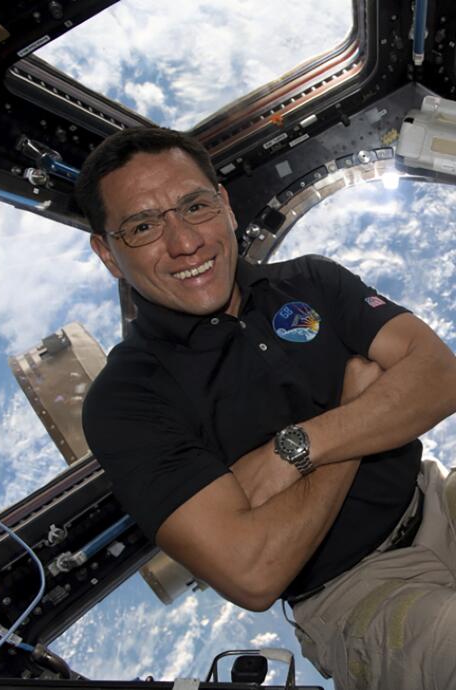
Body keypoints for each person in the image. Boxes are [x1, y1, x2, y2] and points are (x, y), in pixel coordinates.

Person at [74, 126, 456, 690]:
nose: (184, 243)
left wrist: (295, 452)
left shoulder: (311, 280)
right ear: (108, 253)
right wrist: (356, 413)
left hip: (437, 495)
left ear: (224, 206)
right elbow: (252, 570)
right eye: (142, 226)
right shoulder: (126, 400)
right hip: (358, 594)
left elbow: (440, 377)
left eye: (195, 205)